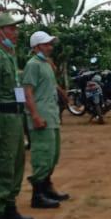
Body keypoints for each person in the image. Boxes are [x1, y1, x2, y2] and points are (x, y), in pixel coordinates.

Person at [0, 13, 34, 219]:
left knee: (16, 164)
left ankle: (10, 205)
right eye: (11, 29)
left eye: (16, 29)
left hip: (15, 116)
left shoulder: (9, 55)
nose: (16, 33)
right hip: (3, 117)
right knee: (3, 165)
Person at [23, 31, 69, 209]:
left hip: (51, 115)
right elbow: (28, 92)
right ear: (36, 47)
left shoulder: (45, 64)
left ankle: (47, 188)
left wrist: (62, 94)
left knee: (52, 154)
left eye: (50, 44)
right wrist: (35, 115)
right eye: (46, 44)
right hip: (41, 115)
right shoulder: (33, 65)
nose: (50, 47)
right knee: (42, 155)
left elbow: (51, 85)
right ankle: (38, 195)